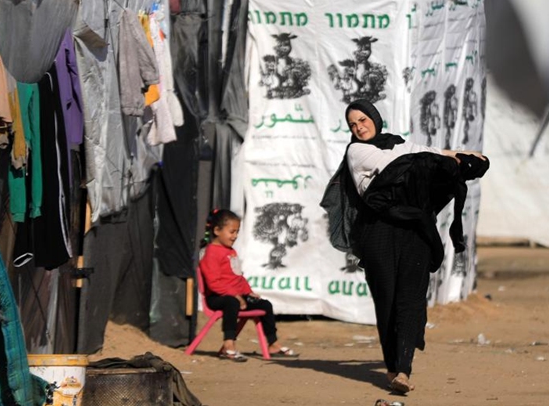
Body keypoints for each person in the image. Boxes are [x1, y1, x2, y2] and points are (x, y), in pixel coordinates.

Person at [321, 100, 489, 394]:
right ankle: (391, 365)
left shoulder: (399, 144)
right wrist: (441, 161)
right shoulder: (357, 151)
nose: (359, 127)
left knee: (410, 299)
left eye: (363, 119)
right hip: (379, 232)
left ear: (375, 118)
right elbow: (396, 167)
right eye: (353, 124)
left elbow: (429, 154)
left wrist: (466, 157)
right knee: (386, 301)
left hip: (414, 231)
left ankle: (403, 370)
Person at [198, 209, 299, 362]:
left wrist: (248, 292)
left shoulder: (231, 252)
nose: (235, 236)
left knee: (265, 305)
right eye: (232, 232)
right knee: (231, 303)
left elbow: (239, 277)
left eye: (237, 232)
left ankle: (273, 344)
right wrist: (235, 296)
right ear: (217, 230)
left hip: (238, 297)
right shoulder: (211, 253)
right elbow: (213, 283)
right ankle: (229, 345)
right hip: (218, 298)